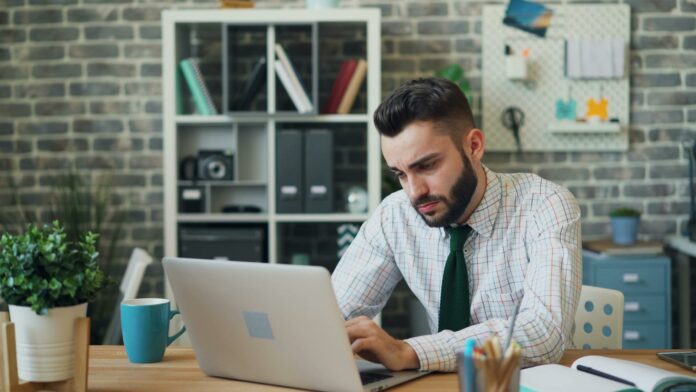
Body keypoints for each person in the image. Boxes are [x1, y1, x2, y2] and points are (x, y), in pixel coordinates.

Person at [331, 77, 581, 372]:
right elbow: (333, 315)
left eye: (426, 166)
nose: (414, 191)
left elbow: (544, 333)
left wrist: (410, 351)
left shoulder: (545, 204)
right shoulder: (395, 215)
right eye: (400, 174)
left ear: (474, 146)